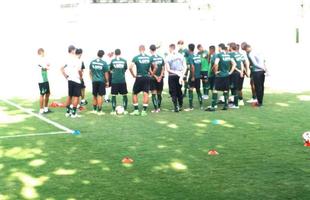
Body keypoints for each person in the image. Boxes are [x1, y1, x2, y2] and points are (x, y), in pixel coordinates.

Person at [206, 43, 236, 111]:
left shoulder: (219, 55)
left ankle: (213, 106)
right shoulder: (228, 55)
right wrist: (230, 72)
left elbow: (216, 64)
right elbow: (234, 64)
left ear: (220, 48)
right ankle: (225, 105)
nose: (218, 49)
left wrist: (216, 72)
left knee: (215, 89)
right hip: (226, 75)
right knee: (225, 90)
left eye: (218, 47)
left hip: (220, 75)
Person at [129, 45, 154, 116]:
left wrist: (133, 75)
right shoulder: (149, 58)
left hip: (139, 77)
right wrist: (152, 75)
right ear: (145, 49)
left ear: (139, 49)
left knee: (134, 93)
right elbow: (155, 66)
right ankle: (144, 111)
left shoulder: (136, 57)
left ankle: (136, 110)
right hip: (147, 77)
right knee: (146, 93)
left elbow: (130, 68)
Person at [60, 45, 83, 118]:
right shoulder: (77, 59)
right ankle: (73, 113)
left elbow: (61, 68)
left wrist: (66, 76)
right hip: (76, 80)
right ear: (72, 50)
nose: (76, 50)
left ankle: (67, 112)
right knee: (76, 97)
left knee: (69, 96)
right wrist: (81, 77)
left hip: (70, 80)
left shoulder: (66, 59)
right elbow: (79, 70)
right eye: (75, 49)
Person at [166, 44, 186, 112]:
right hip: (179, 75)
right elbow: (185, 67)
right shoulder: (181, 55)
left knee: (173, 92)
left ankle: (176, 107)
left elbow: (168, 69)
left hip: (172, 76)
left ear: (171, 48)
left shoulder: (168, 57)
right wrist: (181, 75)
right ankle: (180, 105)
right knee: (179, 91)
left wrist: (175, 72)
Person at [89, 50, 110, 115]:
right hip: (101, 81)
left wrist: (92, 79)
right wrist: (107, 81)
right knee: (100, 95)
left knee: (94, 95)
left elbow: (90, 72)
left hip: (94, 81)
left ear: (97, 54)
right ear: (103, 55)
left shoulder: (92, 62)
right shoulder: (104, 63)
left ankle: (94, 109)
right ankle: (99, 110)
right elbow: (106, 73)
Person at [110, 49, 129, 115]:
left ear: (115, 53)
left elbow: (111, 69)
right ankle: (125, 110)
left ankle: (113, 111)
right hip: (122, 80)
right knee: (124, 95)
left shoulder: (112, 61)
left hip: (114, 81)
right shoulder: (124, 61)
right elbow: (125, 69)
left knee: (113, 95)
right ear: (120, 53)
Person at [186, 43, 203, 111]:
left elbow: (192, 67)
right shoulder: (198, 56)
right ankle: (201, 105)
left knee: (190, 90)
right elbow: (200, 65)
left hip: (193, 76)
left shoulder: (190, 57)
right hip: (198, 76)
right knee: (198, 90)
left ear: (189, 49)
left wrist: (192, 76)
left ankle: (191, 107)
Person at [228, 42, 245, 108]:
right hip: (239, 73)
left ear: (231, 47)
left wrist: (230, 72)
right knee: (236, 88)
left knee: (234, 88)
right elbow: (241, 63)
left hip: (234, 73)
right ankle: (234, 103)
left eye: (229, 46)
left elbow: (233, 64)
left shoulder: (230, 54)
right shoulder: (237, 54)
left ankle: (235, 104)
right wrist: (241, 71)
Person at [149, 44, 165, 113]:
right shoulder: (161, 58)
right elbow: (163, 68)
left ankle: (156, 109)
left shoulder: (150, 58)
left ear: (150, 50)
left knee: (153, 93)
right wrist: (160, 76)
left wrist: (155, 76)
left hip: (153, 78)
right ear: (155, 49)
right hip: (161, 78)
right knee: (159, 93)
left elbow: (149, 69)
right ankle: (159, 107)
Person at [37, 48, 52, 114]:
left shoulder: (42, 59)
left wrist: (47, 66)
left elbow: (47, 65)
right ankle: (41, 109)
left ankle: (46, 108)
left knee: (48, 93)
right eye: (43, 52)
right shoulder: (38, 60)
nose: (44, 54)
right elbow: (45, 68)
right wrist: (47, 67)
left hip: (45, 79)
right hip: (41, 80)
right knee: (42, 94)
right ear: (41, 52)